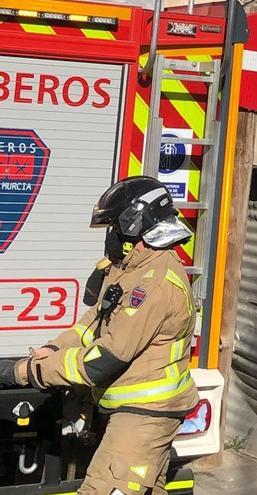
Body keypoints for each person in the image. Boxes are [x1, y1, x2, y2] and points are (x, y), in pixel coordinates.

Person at [0, 177, 198, 495]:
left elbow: (101, 361)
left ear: (135, 226)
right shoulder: (131, 271)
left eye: (115, 227)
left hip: (144, 417)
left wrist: (27, 372)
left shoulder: (154, 285)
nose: (112, 236)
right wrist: (53, 348)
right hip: (133, 413)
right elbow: (93, 324)